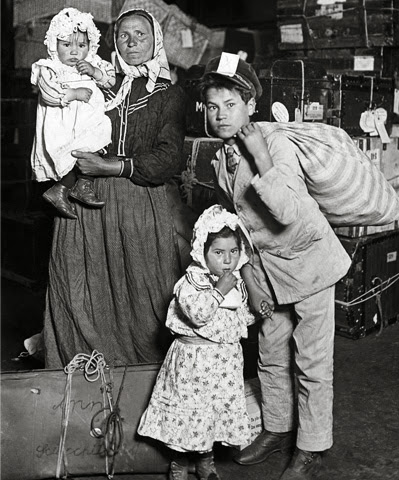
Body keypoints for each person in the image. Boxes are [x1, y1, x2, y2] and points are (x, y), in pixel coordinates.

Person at [198, 53, 352, 480]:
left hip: (309, 263)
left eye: (231, 105)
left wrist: (261, 155)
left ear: (251, 105)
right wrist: (250, 280)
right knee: (270, 354)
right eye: (212, 106)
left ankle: (312, 446)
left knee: (312, 361)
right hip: (268, 272)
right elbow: (239, 229)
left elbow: (284, 212)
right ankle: (279, 429)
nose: (221, 115)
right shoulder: (220, 158)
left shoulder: (275, 143)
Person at [42, 7, 186, 368]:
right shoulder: (96, 83)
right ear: (114, 43)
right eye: (124, 35)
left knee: (142, 295)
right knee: (79, 290)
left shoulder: (169, 94)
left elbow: (168, 159)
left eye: (141, 35)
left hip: (138, 202)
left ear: (156, 41)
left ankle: (142, 380)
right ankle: (82, 376)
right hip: (83, 201)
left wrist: (111, 165)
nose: (132, 42)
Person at [137, 204, 261, 480]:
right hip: (193, 365)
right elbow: (198, 314)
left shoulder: (236, 282)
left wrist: (256, 309)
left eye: (233, 251)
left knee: (212, 414)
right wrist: (218, 291)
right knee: (188, 414)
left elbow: (239, 320)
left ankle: (206, 461)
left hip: (223, 365)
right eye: (218, 252)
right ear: (202, 252)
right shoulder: (191, 282)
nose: (227, 260)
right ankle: (179, 462)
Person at [31, 7, 116, 219]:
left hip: (90, 121)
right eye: (66, 45)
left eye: (81, 45)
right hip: (64, 124)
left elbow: (110, 80)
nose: (74, 52)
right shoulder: (49, 68)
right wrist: (73, 93)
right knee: (71, 154)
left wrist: (95, 72)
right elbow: (49, 94)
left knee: (97, 142)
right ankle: (61, 187)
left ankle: (82, 185)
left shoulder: (93, 63)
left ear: (90, 46)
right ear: (54, 44)